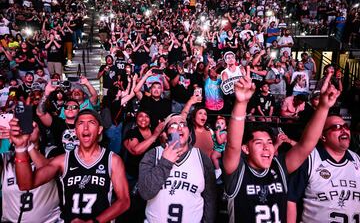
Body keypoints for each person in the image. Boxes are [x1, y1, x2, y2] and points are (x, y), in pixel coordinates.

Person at [223, 67, 340, 223]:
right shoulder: (236, 171)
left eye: (269, 142)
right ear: (245, 148)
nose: (266, 147)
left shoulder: (279, 167)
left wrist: (324, 107)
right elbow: (233, 145)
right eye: (259, 143)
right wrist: (241, 102)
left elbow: (306, 145)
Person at [11, 109, 130, 222]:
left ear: (99, 129)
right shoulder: (63, 161)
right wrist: (20, 147)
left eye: (91, 122)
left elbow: (124, 201)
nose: (86, 127)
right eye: (81, 123)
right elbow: (25, 184)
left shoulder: (112, 160)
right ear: (75, 131)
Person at [138, 113, 216, 223]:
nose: (179, 128)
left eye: (183, 124)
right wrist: (165, 163)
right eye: (173, 126)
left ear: (189, 132)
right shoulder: (152, 155)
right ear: (165, 134)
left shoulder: (201, 157)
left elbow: (210, 199)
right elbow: (145, 192)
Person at [287, 115, 360, 223]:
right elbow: (290, 200)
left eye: (346, 126)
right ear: (322, 136)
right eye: (337, 127)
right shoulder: (310, 159)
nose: (344, 130)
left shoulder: (357, 160)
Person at [1, 122, 60, 223]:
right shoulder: (6, 158)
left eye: (33, 126)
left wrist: (26, 144)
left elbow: (50, 170)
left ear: (40, 134)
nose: (27, 129)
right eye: (22, 126)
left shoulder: (52, 152)